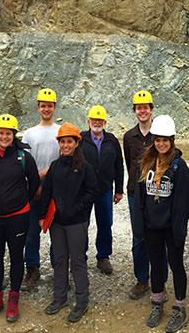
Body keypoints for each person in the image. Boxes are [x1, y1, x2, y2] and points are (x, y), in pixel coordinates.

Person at [0, 114, 40, 323]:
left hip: (17, 217)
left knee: (16, 257)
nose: (4, 137)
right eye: (1, 133)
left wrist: (22, 202)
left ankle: (13, 297)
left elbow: (34, 183)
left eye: (8, 133)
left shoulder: (23, 157)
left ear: (14, 135)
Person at [132, 115, 189, 333]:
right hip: (151, 226)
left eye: (165, 140)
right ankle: (157, 302)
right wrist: (139, 225)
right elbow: (139, 195)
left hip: (171, 227)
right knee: (156, 265)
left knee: (176, 265)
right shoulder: (147, 163)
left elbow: (183, 201)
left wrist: (179, 230)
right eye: (158, 140)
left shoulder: (179, 166)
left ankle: (180, 307)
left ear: (172, 140)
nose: (161, 144)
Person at [37, 122, 98, 323]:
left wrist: (77, 208)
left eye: (69, 142)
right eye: (62, 141)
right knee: (60, 260)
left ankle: (81, 301)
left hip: (76, 223)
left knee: (78, 261)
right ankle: (60, 298)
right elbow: (46, 192)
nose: (65, 145)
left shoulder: (84, 167)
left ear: (76, 143)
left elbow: (92, 192)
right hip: (57, 223)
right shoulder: (55, 166)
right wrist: (41, 215)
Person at [20, 88, 61, 291]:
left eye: (50, 105)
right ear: (38, 107)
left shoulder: (60, 131)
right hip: (34, 188)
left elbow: (64, 160)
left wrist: (43, 176)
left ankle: (58, 269)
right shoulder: (29, 133)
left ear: (54, 107)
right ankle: (32, 268)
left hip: (55, 188)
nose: (46, 109)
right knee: (31, 232)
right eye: (43, 105)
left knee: (57, 231)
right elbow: (25, 163)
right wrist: (34, 185)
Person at [80, 105, 124, 276]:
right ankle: (80, 256)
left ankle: (103, 257)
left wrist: (119, 189)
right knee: (82, 224)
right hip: (84, 190)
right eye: (94, 120)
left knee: (105, 224)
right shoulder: (81, 139)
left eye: (100, 120)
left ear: (105, 122)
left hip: (105, 189)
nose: (97, 123)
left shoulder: (112, 140)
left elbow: (118, 166)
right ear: (88, 121)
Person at [122, 90, 157, 298]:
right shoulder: (129, 137)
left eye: (145, 107)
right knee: (139, 237)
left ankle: (158, 278)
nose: (142, 111)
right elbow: (129, 163)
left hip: (157, 193)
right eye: (138, 108)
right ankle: (142, 279)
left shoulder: (161, 134)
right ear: (135, 111)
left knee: (158, 234)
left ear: (151, 109)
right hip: (135, 193)